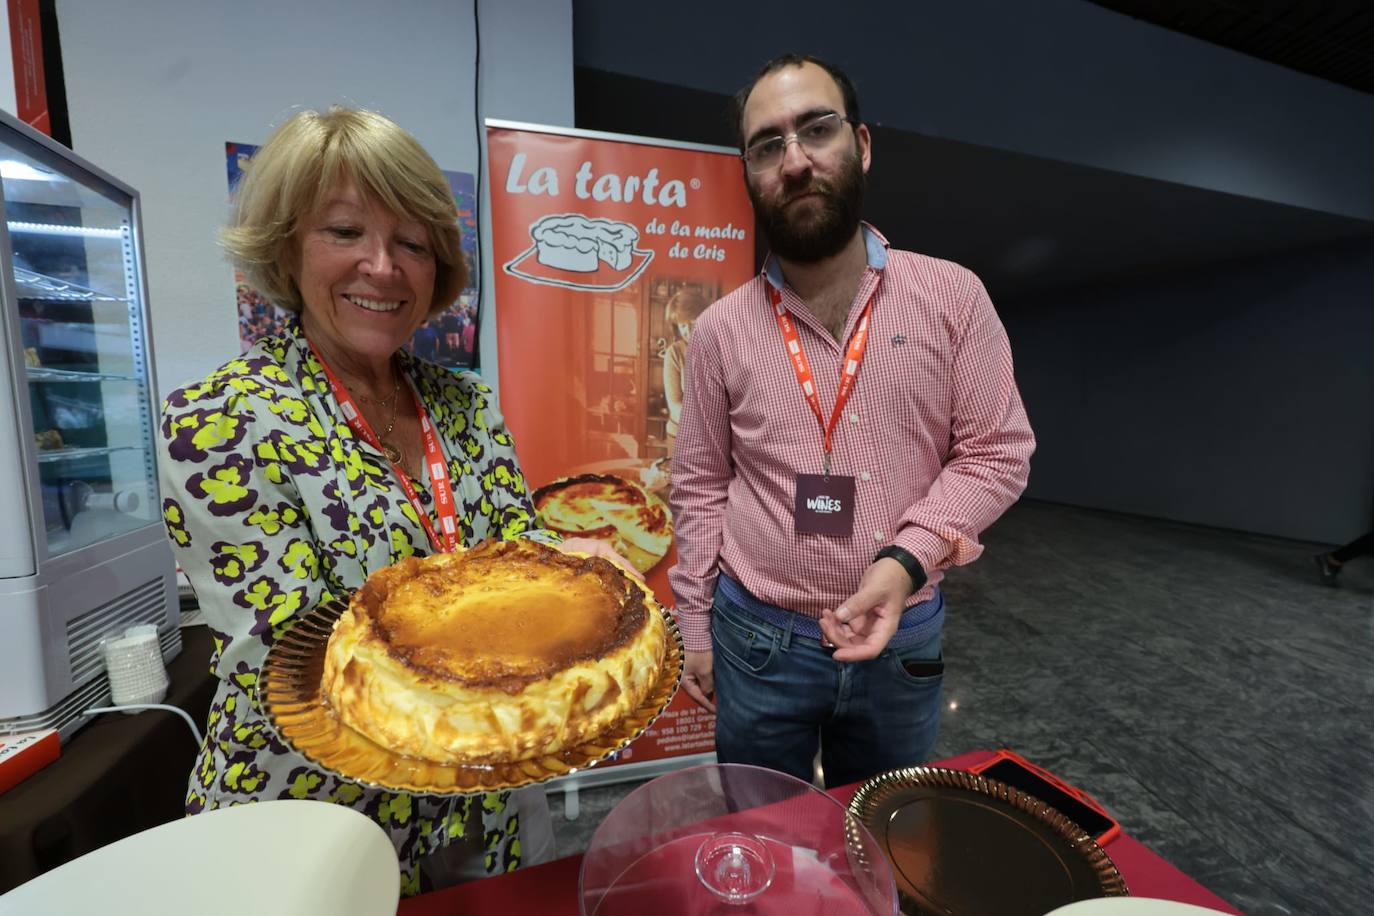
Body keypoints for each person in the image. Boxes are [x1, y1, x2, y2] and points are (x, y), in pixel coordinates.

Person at [158, 106, 630, 895]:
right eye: (344, 232)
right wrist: (506, 627)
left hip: (489, 801)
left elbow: (515, 549)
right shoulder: (219, 420)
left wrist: (562, 564)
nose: (383, 266)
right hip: (318, 820)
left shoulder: (466, 404)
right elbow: (293, 657)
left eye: (411, 243)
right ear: (285, 245)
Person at [668, 55, 1036, 788]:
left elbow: (997, 452)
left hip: (902, 637)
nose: (795, 161)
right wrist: (694, 629)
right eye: (767, 145)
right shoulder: (718, 331)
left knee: (881, 841)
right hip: (756, 638)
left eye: (816, 129)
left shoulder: (953, 297)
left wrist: (905, 562)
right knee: (762, 837)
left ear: (862, 146)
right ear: (748, 173)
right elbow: (700, 484)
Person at [662, 287, 711, 445]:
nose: (688, 331)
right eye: (682, 326)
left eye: (692, 322)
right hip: (680, 436)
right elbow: (674, 404)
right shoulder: (674, 353)